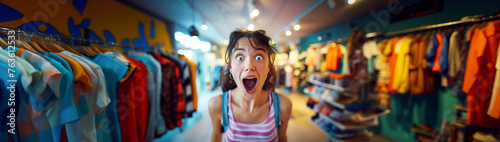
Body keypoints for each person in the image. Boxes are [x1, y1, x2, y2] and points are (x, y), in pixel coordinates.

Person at [208, 29, 292, 142]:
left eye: (258, 57)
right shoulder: (217, 105)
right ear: (231, 67)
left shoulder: (283, 105)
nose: (249, 66)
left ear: (268, 67)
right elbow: (216, 136)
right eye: (240, 57)